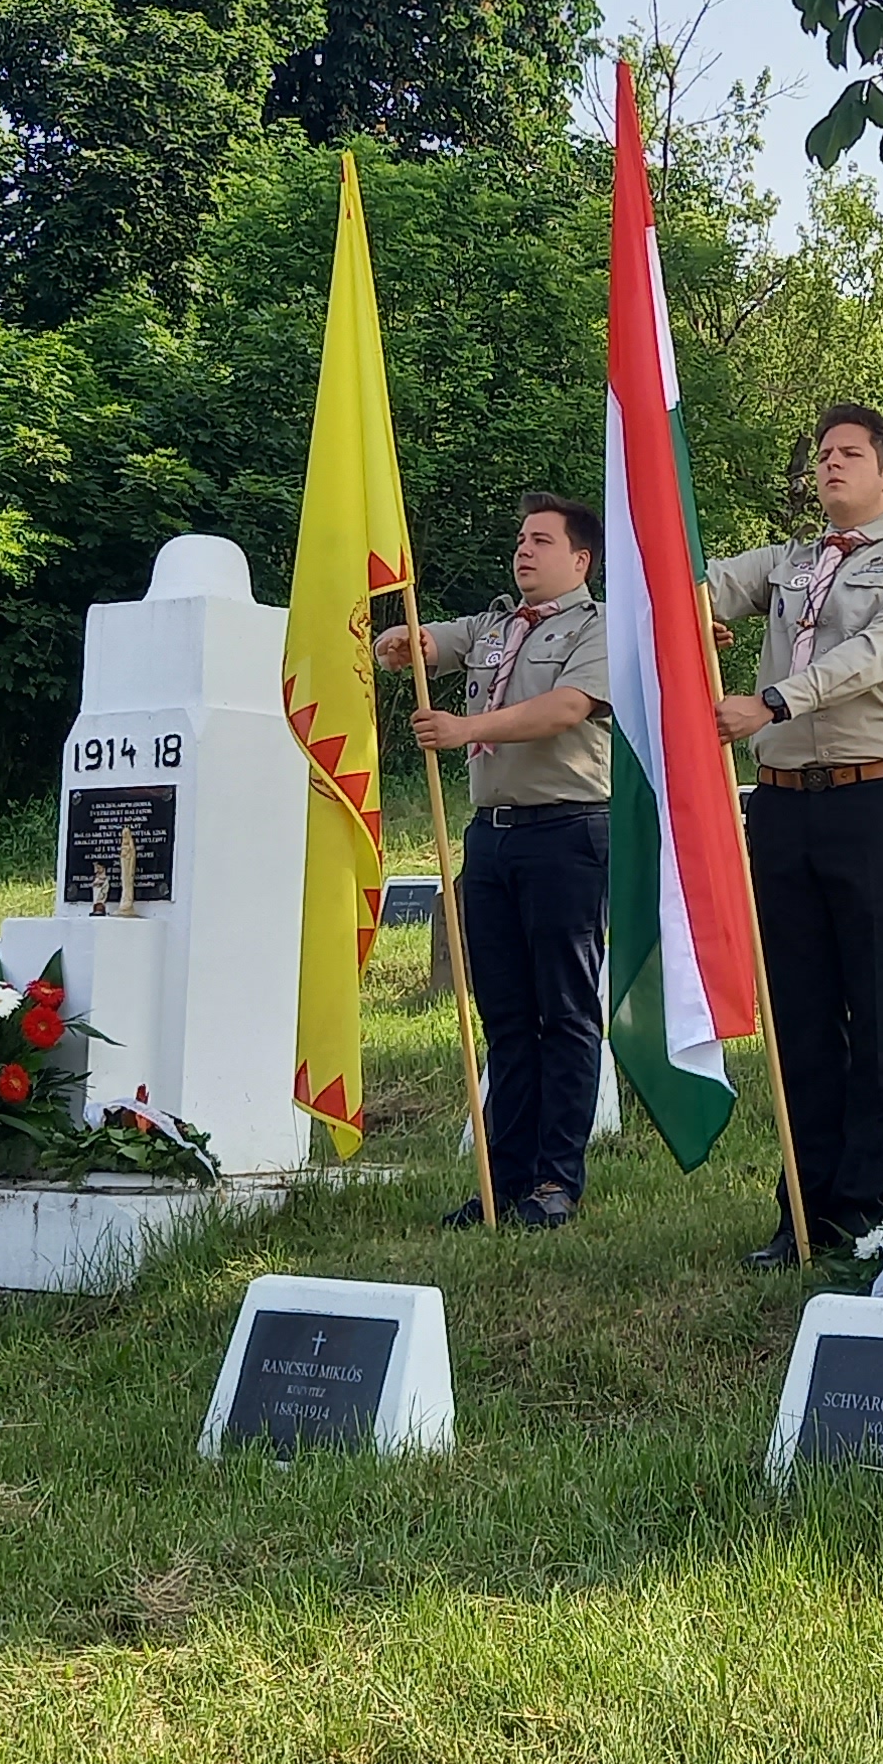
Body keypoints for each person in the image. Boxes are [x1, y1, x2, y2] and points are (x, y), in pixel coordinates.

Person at [707, 404, 883, 1267]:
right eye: (822, 454)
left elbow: (877, 654)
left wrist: (773, 700)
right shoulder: (788, 561)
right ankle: (803, 1211)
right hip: (783, 805)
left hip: (873, 799)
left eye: (850, 453)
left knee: (878, 1007)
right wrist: (692, 619)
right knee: (801, 1013)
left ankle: (860, 1211)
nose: (830, 464)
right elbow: (685, 587)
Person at [383, 495, 612, 1231]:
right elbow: (430, 641)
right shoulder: (495, 626)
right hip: (492, 837)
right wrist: (401, 640)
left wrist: (466, 727)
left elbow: (566, 709)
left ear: (580, 559)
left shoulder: (599, 628)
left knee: (565, 1012)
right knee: (506, 1015)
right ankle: (503, 1181)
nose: (524, 551)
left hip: (567, 833)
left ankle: (555, 1180)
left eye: (541, 541)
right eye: (520, 539)